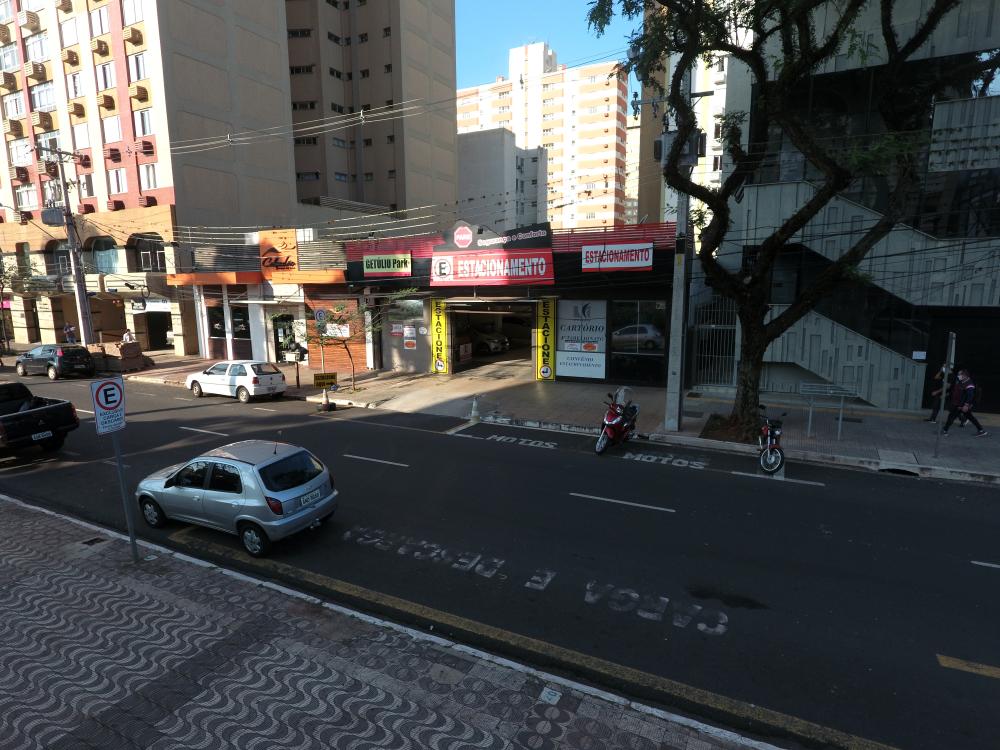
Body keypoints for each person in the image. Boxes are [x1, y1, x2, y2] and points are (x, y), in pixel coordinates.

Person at [942, 370, 988, 437]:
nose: (958, 376)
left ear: (965, 375)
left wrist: (966, 405)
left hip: (961, 405)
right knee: (970, 417)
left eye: (960, 374)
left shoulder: (969, 384)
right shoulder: (961, 381)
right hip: (959, 403)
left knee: (952, 416)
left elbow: (970, 395)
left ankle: (945, 430)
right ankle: (981, 430)